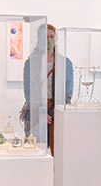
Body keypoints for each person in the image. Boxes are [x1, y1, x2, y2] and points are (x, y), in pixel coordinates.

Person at [23, 23, 73, 156]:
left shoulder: (65, 63)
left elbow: (68, 91)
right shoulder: (31, 62)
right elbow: (28, 91)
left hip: (58, 108)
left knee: (59, 150)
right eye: (45, 37)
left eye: (51, 36)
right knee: (36, 149)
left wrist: (58, 111)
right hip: (36, 110)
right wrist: (40, 111)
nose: (49, 40)